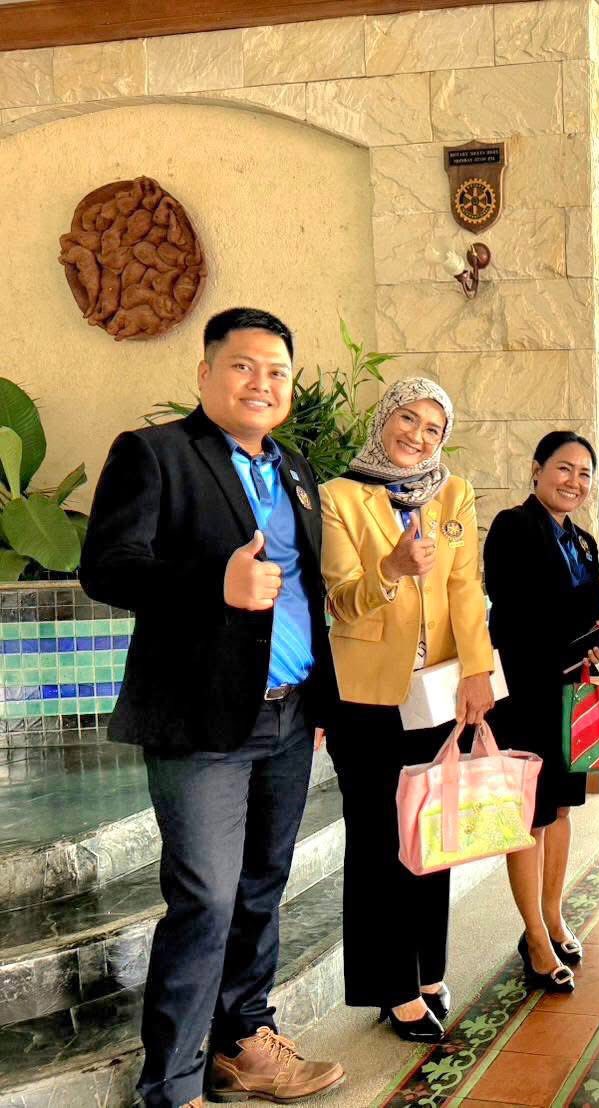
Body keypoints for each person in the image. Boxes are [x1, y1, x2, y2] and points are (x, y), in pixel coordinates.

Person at [79, 308, 344, 1108]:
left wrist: (317, 698)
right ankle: (172, 1083)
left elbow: (305, 592)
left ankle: (243, 1041)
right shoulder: (155, 454)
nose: (262, 383)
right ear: (205, 374)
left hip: (288, 716)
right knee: (205, 898)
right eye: (243, 366)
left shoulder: (295, 470)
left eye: (277, 372)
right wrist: (212, 584)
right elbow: (107, 567)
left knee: (262, 886)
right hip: (200, 722)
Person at [319, 377, 494, 1042]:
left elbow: (466, 588)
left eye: (433, 428)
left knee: (432, 833)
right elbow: (340, 599)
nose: (417, 436)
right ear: (385, 418)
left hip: (439, 690)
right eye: (408, 419)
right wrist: (390, 568)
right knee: (378, 841)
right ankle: (392, 987)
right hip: (367, 695)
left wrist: (477, 670)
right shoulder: (340, 497)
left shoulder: (453, 493)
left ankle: (426, 968)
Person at [485, 431, 599, 992]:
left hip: (571, 693)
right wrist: (594, 595)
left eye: (584, 473)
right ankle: (534, 937)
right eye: (564, 469)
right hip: (523, 695)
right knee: (530, 816)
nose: (574, 482)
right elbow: (517, 608)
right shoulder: (512, 527)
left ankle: (552, 915)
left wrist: (597, 639)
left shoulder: (584, 541)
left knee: (562, 809)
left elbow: (592, 618)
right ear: (537, 469)